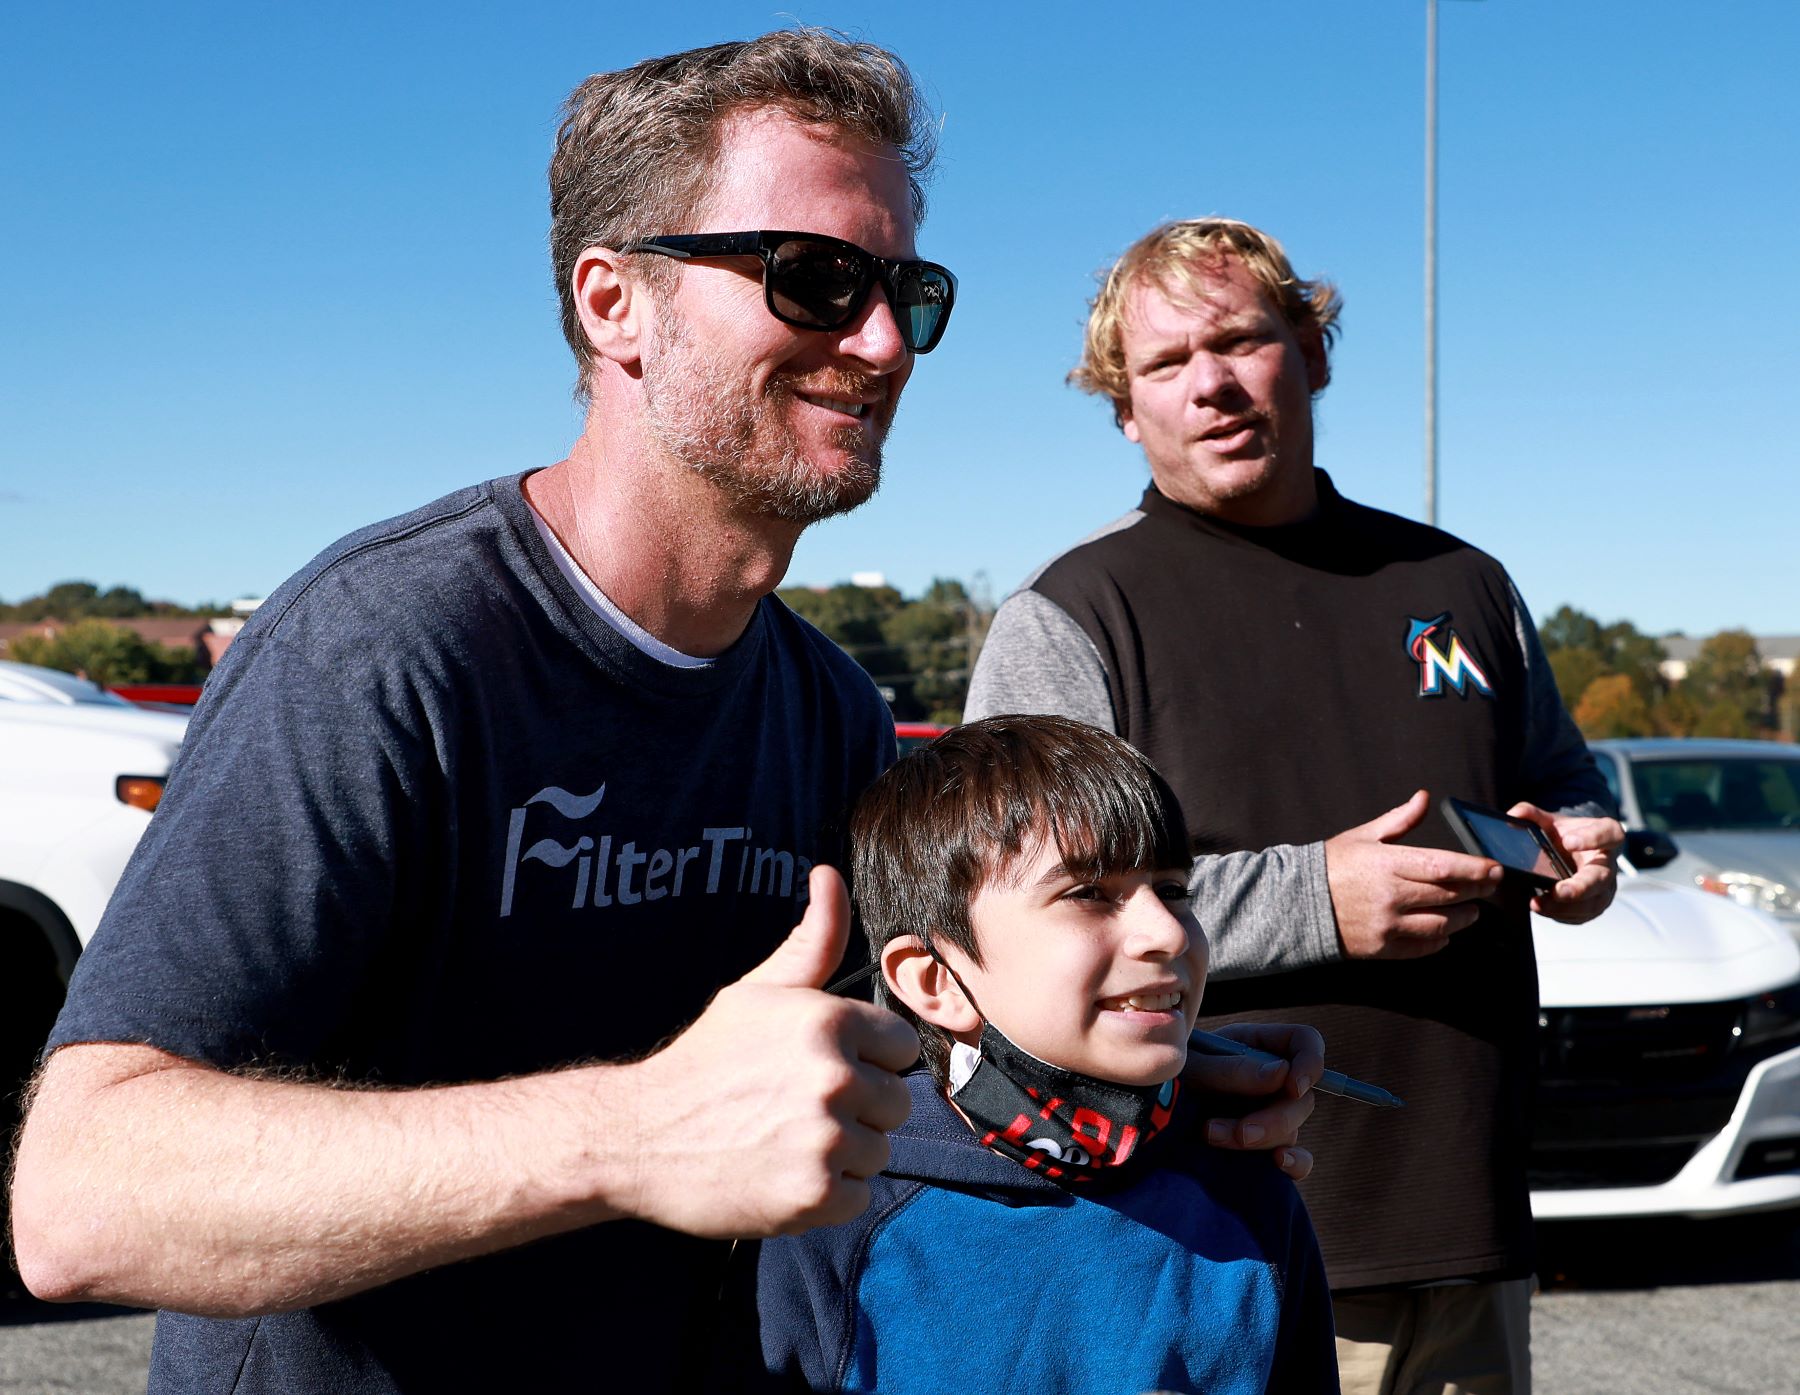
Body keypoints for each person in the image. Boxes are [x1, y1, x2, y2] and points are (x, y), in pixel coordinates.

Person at [8, 45, 1317, 1394]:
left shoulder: (828, 711)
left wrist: (1148, 1080)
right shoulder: (379, 651)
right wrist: (629, 1131)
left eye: (905, 293)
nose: (876, 341)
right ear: (613, 301)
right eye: (812, 277)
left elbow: (881, 1058)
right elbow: (78, 1194)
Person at [964, 218, 1624, 1395]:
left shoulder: (1461, 585)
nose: (1209, 383)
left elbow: (1559, 780)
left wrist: (1573, 847)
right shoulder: (1074, 616)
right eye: (1164, 365)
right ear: (1126, 410)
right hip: (1213, 1241)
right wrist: (1316, 897)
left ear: (1311, 354)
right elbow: (1010, 926)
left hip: (1468, 1234)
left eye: (1239, 341)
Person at [755, 715, 1338, 1394]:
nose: (1165, 931)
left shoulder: (1249, 1190)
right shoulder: (833, 1211)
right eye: (1088, 893)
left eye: (1175, 890)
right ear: (935, 980)